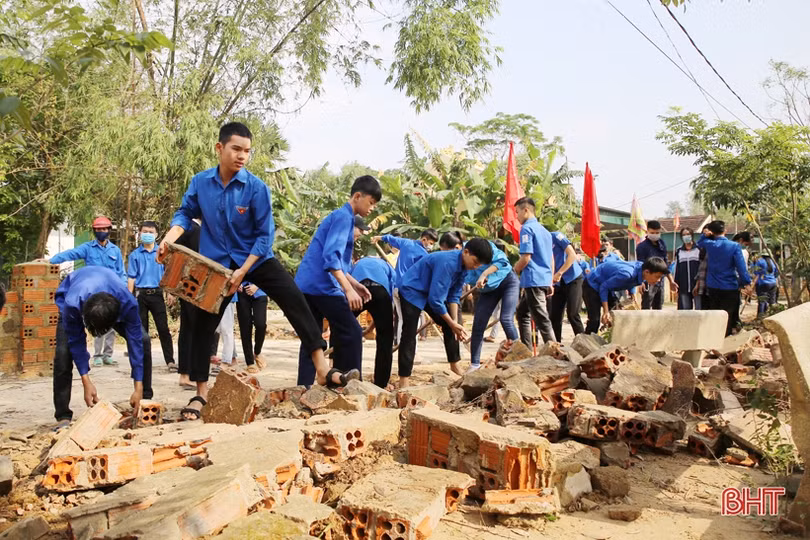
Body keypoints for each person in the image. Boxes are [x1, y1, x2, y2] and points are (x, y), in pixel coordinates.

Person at [160, 122, 360, 419]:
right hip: (218, 263)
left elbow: (265, 236)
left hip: (256, 258)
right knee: (203, 322)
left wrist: (243, 271)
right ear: (219, 148)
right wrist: (169, 239)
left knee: (294, 299)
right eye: (236, 149)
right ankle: (201, 393)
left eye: (247, 151)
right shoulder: (201, 182)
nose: (242, 156)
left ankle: (321, 368)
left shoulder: (256, 188)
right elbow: (185, 213)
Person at [294, 181, 382, 386]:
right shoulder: (344, 217)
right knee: (351, 331)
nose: (372, 208)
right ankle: (348, 385)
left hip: (306, 284)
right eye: (371, 202)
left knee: (312, 338)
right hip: (322, 286)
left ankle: (303, 388)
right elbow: (331, 258)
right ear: (357, 196)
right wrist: (348, 289)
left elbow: (338, 264)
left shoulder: (340, 217)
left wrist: (355, 284)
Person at [52, 266, 151, 427]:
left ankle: (144, 399)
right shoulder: (72, 304)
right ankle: (63, 415)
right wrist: (86, 381)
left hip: (113, 299)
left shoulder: (128, 303)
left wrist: (137, 385)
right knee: (63, 354)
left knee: (144, 340)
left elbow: (136, 341)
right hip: (74, 296)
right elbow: (76, 342)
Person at [398, 238, 493, 386]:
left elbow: (454, 296)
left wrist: (453, 323)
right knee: (409, 333)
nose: (475, 267)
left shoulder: (464, 268)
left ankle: (455, 365)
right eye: (475, 262)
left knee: (450, 326)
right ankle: (404, 379)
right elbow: (436, 300)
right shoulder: (448, 262)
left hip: (429, 292)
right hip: (412, 289)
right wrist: (451, 323)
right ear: (466, 252)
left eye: (479, 265)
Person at [48, 216, 125, 367]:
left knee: (112, 323)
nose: (101, 231)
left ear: (109, 230)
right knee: (98, 320)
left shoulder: (115, 251)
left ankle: (108, 355)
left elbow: (121, 272)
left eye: (104, 229)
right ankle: (97, 355)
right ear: (94, 231)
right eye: (98, 229)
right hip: (95, 293)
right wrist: (50, 261)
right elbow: (70, 254)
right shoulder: (88, 248)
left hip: (111, 291)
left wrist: (123, 290)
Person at [373, 228, 438, 344]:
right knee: (412, 321)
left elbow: (391, 238)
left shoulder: (406, 243)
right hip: (408, 291)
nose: (431, 246)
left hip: (396, 287)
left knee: (402, 319)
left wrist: (378, 238)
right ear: (424, 239)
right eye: (431, 243)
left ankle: (400, 344)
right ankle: (410, 349)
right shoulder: (424, 255)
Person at [127, 221, 176, 371]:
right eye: (145, 232)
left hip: (157, 294)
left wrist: (170, 293)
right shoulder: (135, 255)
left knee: (163, 329)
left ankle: (170, 361)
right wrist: (128, 297)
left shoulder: (162, 253)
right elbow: (131, 278)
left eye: (150, 232)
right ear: (140, 233)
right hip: (140, 295)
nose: (147, 234)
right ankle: (142, 361)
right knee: (142, 331)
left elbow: (168, 274)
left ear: (156, 235)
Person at [465, 240, 519, 372]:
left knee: (506, 319)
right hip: (489, 289)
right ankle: (474, 365)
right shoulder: (458, 262)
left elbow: (502, 261)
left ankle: (519, 358)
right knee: (478, 324)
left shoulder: (483, 247)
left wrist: (484, 273)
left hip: (508, 281)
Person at [582, 257, 670, 334]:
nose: (658, 280)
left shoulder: (642, 270)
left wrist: (632, 294)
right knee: (595, 320)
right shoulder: (627, 274)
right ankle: (585, 342)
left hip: (606, 285)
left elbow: (633, 280)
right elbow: (604, 287)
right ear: (647, 272)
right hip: (592, 284)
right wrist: (606, 311)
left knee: (618, 315)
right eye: (657, 276)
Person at [513, 197, 556, 346]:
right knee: (522, 313)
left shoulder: (527, 229)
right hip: (543, 278)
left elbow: (526, 257)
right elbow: (551, 259)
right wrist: (550, 280)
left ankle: (555, 350)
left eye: (517, 212)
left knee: (542, 318)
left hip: (534, 279)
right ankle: (527, 348)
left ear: (526, 210)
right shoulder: (545, 231)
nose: (517, 217)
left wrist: (514, 270)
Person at [697, 221, 751, 336]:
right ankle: (726, 338)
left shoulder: (710, 244)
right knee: (728, 316)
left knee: (715, 316)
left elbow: (699, 242)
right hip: (729, 286)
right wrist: (747, 283)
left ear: (712, 232)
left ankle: (715, 338)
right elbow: (741, 267)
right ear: (725, 231)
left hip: (713, 286)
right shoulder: (734, 246)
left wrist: (705, 235)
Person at [350, 256, 395, 388]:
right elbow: (393, 289)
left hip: (358, 291)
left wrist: (369, 329)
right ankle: (381, 382)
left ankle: (346, 375)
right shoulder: (386, 265)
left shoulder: (355, 265)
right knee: (385, 338)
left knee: (344, 329)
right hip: (381, 291)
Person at [175, 220, 201, 390]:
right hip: (192, 285)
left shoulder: (192, 228)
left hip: (193, 285)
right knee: (191, 330)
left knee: (190, 329)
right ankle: (187, 374)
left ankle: (187, 374)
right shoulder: (191, 229)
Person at [548, 230, 585, 342]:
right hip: (557, 282)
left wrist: (560, 272)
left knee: (573, 314)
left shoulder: (556, 236)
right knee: (554, 316)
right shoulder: (538, 243)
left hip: (573, 278)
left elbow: (572, 255)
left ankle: (584, 343)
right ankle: (556, 345)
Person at [635, 220, 677, 310]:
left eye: (657, 233)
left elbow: (665, 263)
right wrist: (641, 282)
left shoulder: (662, 244)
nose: (655, 235)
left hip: (660, 280)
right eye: (652, 233)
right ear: (647, 231)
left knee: (659, 306)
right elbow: (640, 265)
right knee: (646, 306)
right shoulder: (641, 247)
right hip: (648, 281)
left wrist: (671, 281)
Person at [236, 280, 268, 373]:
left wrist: (257, 285)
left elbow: (268, 273)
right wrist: (236, 283)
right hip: (241, 291)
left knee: (260, 324)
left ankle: (257, 352)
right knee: (245, 326)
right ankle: (250, 362)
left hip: (259, 291)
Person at [673, 227, 705, 310]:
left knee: (699, 310)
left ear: (692, 235)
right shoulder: (679, 251)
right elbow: (677, 269)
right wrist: (675, 283)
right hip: (683, 286)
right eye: (683, 235)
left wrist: (698, 283)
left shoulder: (699, 249)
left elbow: (702, 268)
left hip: (697, 286)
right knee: (685, 312)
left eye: (688, 234)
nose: (686, 236)